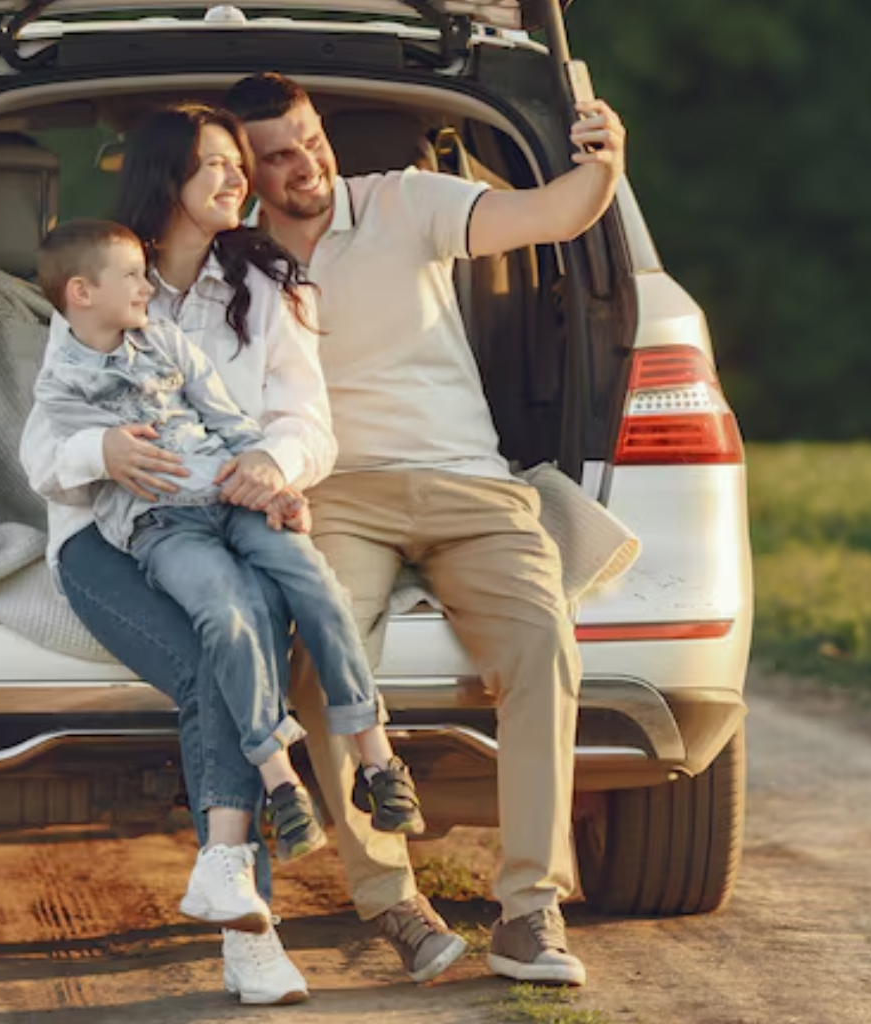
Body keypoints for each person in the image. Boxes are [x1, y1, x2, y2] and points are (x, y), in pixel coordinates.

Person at [20, 104, 463, 1006]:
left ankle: (239, 886)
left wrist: (272, 463)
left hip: (233, 504)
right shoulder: (106, 280)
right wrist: (98, 455)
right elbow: (41, 452)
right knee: (213, 654)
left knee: (254, 618)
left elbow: (307, 422)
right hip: (113, 534)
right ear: (166, 181)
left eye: (237, 164)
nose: (238, 179)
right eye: (216, 165)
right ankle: (250, 931)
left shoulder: (270, 284)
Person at [225, 72, 627, 986]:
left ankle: (530, 911)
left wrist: (605, 164)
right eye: (278, 156)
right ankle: (394, 905)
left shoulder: (405, 200)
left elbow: (555, 214)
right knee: (327, 662)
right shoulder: (234, 259)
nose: (306, 166)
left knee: (541, 644)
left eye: (311, 139)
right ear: (245, 169)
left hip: (469, 486)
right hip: (337, 494)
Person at [32, 218, 426, 874]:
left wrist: (273, 482)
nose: (144, 287)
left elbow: (228, 421)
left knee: (318, 587)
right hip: (162, 526)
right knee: (227, 615)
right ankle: (280, 782)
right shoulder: (61, 385)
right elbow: (55, 463)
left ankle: (379, 761)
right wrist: (100, 451)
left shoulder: (164, 341)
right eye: (131, 276)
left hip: (232, 496)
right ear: (81, 292)